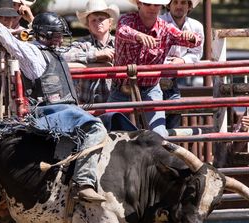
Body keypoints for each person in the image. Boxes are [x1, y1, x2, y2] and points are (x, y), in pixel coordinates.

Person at [0, 3, 108, 202]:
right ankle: (83, 182)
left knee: (113, 121)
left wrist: (31, 18)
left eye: (60, 34)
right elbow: (10, 42)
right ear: (45, 36)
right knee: (95, 127)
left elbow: (40, 32)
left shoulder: (53, 50)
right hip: (49, 112)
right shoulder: (32, 52)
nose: (60, 39)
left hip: (66, 111)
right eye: (56, 35)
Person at [107, 0, 202, 137]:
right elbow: (122, 31)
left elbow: (194, 41)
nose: (152, 8)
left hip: (150, 88)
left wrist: (191, 37)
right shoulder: (127, 20)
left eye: (156, 4)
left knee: (159, 135)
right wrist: (139, 36)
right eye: (147, 4)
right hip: (121, 89)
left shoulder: (165, 28)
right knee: (112, 134)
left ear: (161, 6)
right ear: (139, 4)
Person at [62, 0, 120, 105]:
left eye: (101, 19)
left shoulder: (119, 43)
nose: (98, 23)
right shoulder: (82, 43)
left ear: (110, 22)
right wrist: (96, 55)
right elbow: (64, 56)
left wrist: (86, 63)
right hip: (87, 104)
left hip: (114, 103)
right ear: (88, 25)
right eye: (93, 20)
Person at [159, 0, 204, 129]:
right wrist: (174, 62)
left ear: (189, 6)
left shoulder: (196, 26)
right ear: (169, 5)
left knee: (173, 114)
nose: (179, 6)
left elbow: (196, 53)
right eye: (176, 2)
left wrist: (182, 61)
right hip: (157, 78)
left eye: (183, 2)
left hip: (176, 78)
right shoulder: (159, 22)